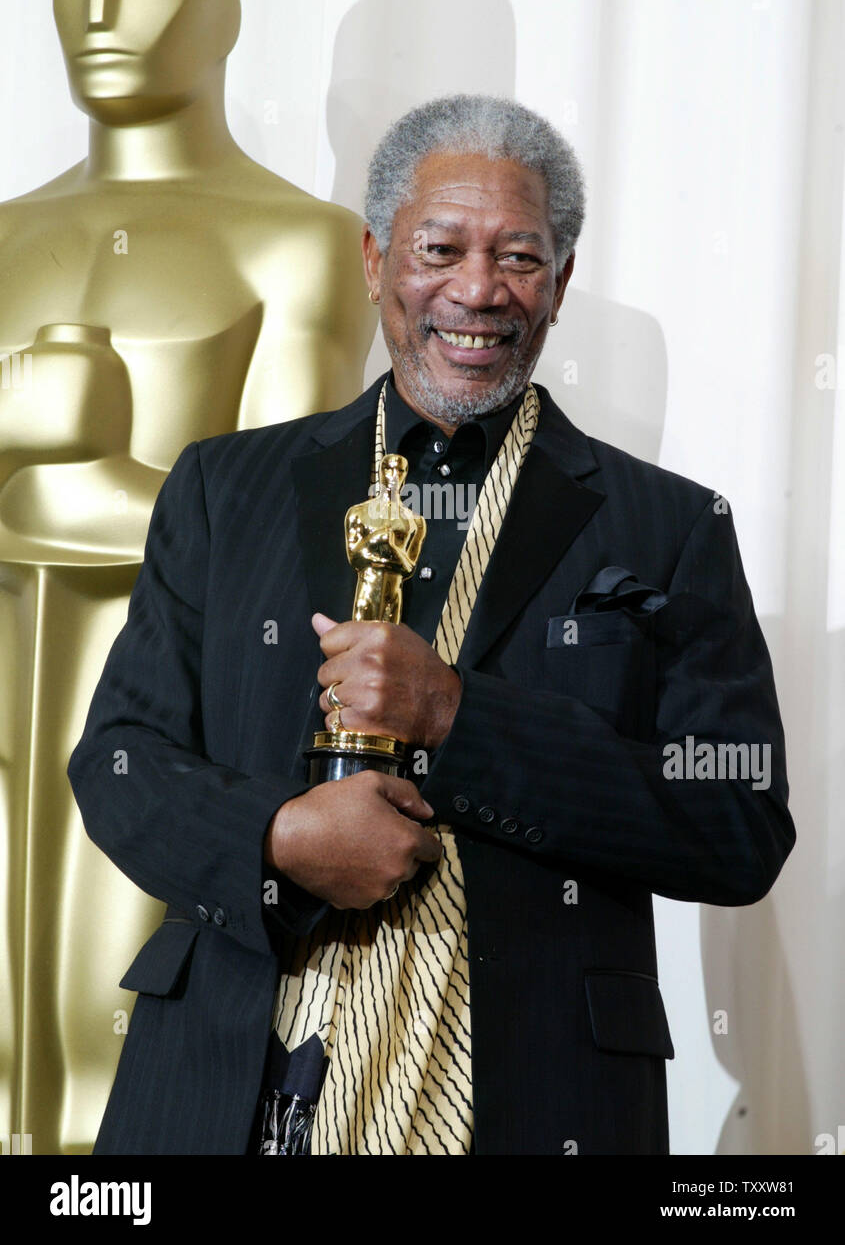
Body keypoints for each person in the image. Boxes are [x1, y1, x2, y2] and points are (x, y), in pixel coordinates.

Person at [68, 94, 796, 1156]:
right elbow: (119, 761)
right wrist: (279, 840)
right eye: (439, 248)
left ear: (560, 282)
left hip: (536, 1100)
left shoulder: (668, 527)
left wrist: (460, 716)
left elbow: (736, 823)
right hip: (221, 1091)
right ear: (375, 261)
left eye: (519, 257)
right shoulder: (227, 488)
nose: (477, 289)